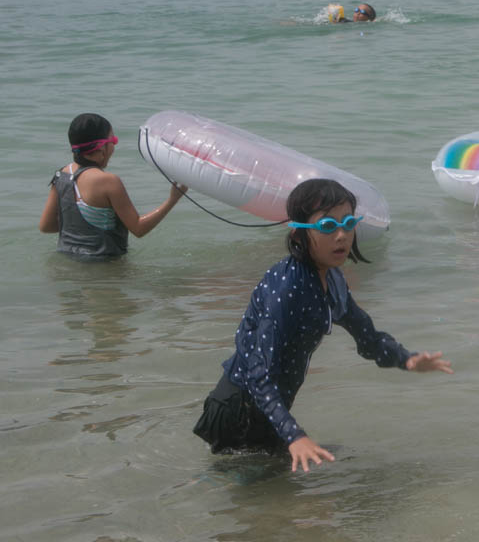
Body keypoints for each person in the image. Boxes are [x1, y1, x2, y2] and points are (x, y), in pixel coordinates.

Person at [193, 178, 453, 472]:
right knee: (245, 492)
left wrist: (407, 359)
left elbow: (367, 338)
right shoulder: (287, 288)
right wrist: (294, 436)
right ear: (299, 232)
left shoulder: (333, 280)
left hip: (269, 409)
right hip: (239, 409)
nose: (342, 235)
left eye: (348, 223)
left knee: (287, 487)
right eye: (328, 226)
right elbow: (257, 372)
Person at [39, 113, 187, 259]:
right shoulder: (108, 182)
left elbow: (46, 226)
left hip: (68, 264)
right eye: (113, 141)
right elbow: (138, 228)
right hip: (103, 268)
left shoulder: (62, 175)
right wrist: (172, 200)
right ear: (102, 148)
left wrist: (81, 229)